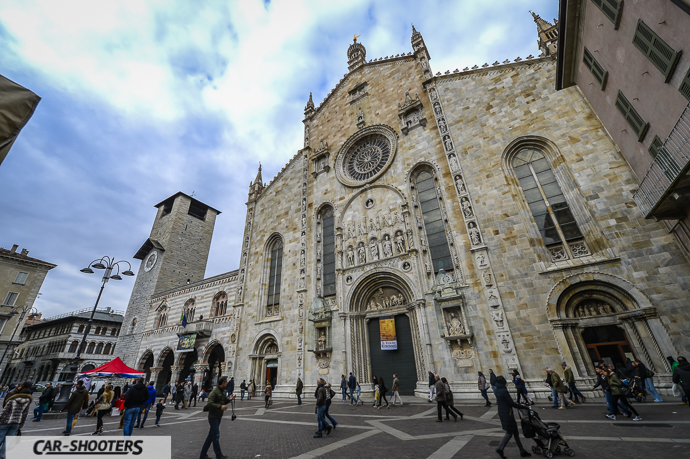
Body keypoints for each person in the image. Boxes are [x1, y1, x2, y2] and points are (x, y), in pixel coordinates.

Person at [494, 376, 531, 458]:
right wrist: (522, 406)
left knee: (515, 432)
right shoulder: (504, 391)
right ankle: (500, 447)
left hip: (502, 412)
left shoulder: (496, 389)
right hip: (508, 414)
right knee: (510, 433)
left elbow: (506, 402)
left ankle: (522, 451)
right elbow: (511, 403)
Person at [199, 376, 234, 459]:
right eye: (226, 381)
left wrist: (229, 399)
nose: (227, 383)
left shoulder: (222, 391)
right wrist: (220, 406)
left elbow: (223, 401)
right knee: (216, 435)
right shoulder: (215, 391)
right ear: (223, 383)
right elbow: (209, 404)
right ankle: (218, 455)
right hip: (213, 416)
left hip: (218, 416)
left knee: (211, 436)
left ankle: (203, 455)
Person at [0, 380, 32, 458]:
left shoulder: (12, 400)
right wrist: (21, 424)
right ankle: (1, 455)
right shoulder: (27, 401)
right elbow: (25, 414)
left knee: (0, 438)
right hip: (16, 423)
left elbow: (4, 411)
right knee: (7, 441)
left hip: (6, 421)